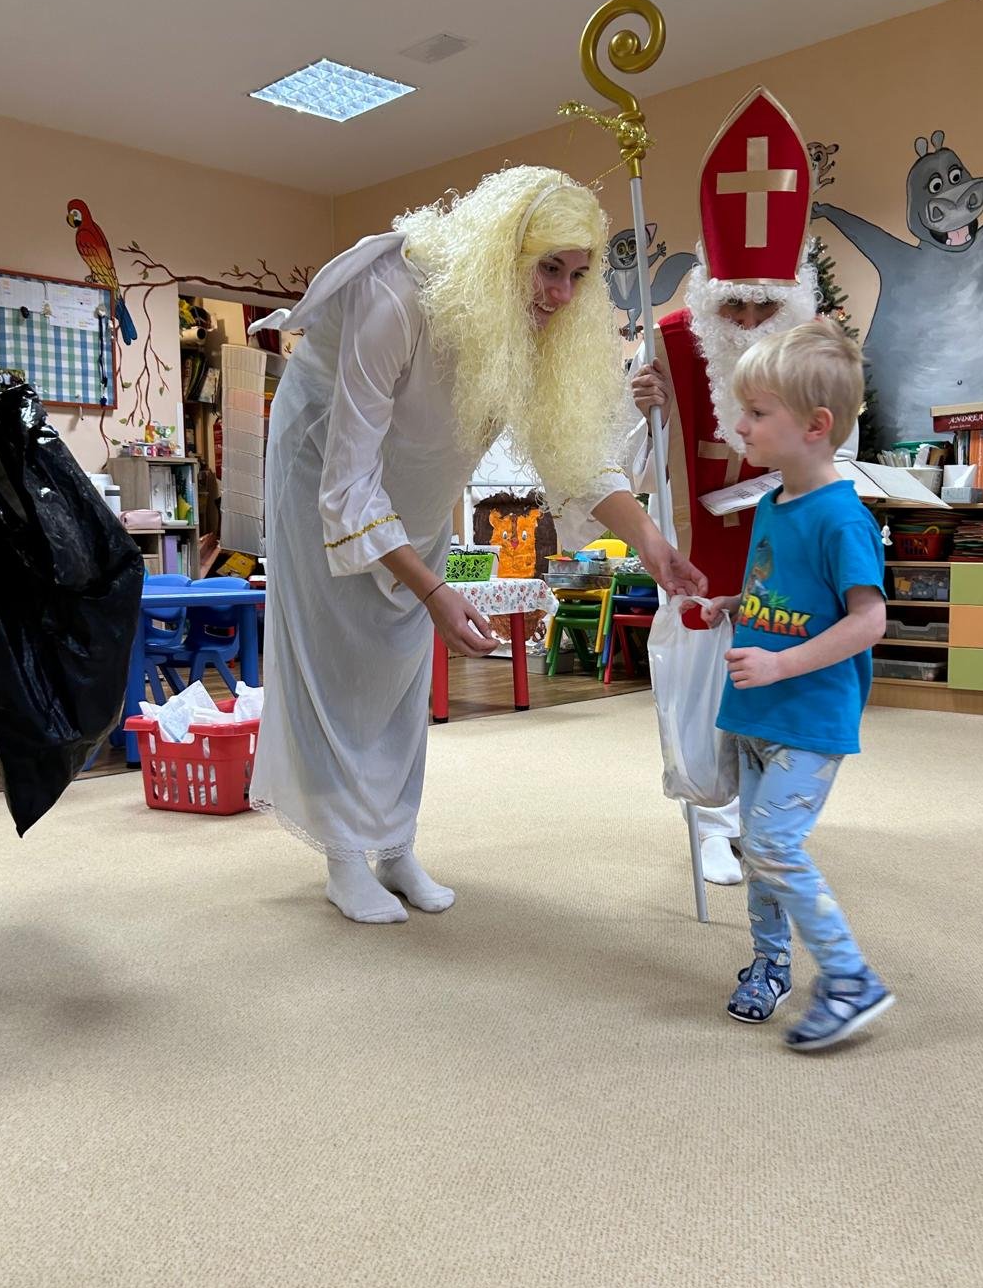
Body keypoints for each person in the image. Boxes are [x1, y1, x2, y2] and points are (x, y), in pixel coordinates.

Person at [250, 166, 705, 925]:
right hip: (322, 473)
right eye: (549, 268)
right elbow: (349, 483)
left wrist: (653, 545)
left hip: (421, 489)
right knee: (339, 664)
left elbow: (575, 458)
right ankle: (343, 855)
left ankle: (394, 844)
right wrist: (434, 589)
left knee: (400, 669)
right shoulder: (396, 293)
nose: (562, 294)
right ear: (503, 252)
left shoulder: (538, 330)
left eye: (578, 275)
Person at [627, 88, 858, 886]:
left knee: (778, 682)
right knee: (700, 691)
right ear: (710, 291)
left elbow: (839, 445)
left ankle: (762, 815)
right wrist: (649, 415)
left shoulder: (812, 351)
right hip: (700, 547)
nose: (752, 319)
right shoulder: (668, 344)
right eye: (736, 302)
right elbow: (634, 471)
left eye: (766, 303)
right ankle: (709, 820)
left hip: (785, 543)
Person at [708, 318, 894, 1051]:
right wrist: (734, 606)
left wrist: (781, 664)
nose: (740, 425)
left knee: (774, 846)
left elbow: (869, 621)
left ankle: (850, 979)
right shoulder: (770, 504)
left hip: (808, 718)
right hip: (756, 709)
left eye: (757, 413)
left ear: (816, 426)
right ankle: (771, 963)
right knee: (758, 850)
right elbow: (778, 592)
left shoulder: (842, 519)